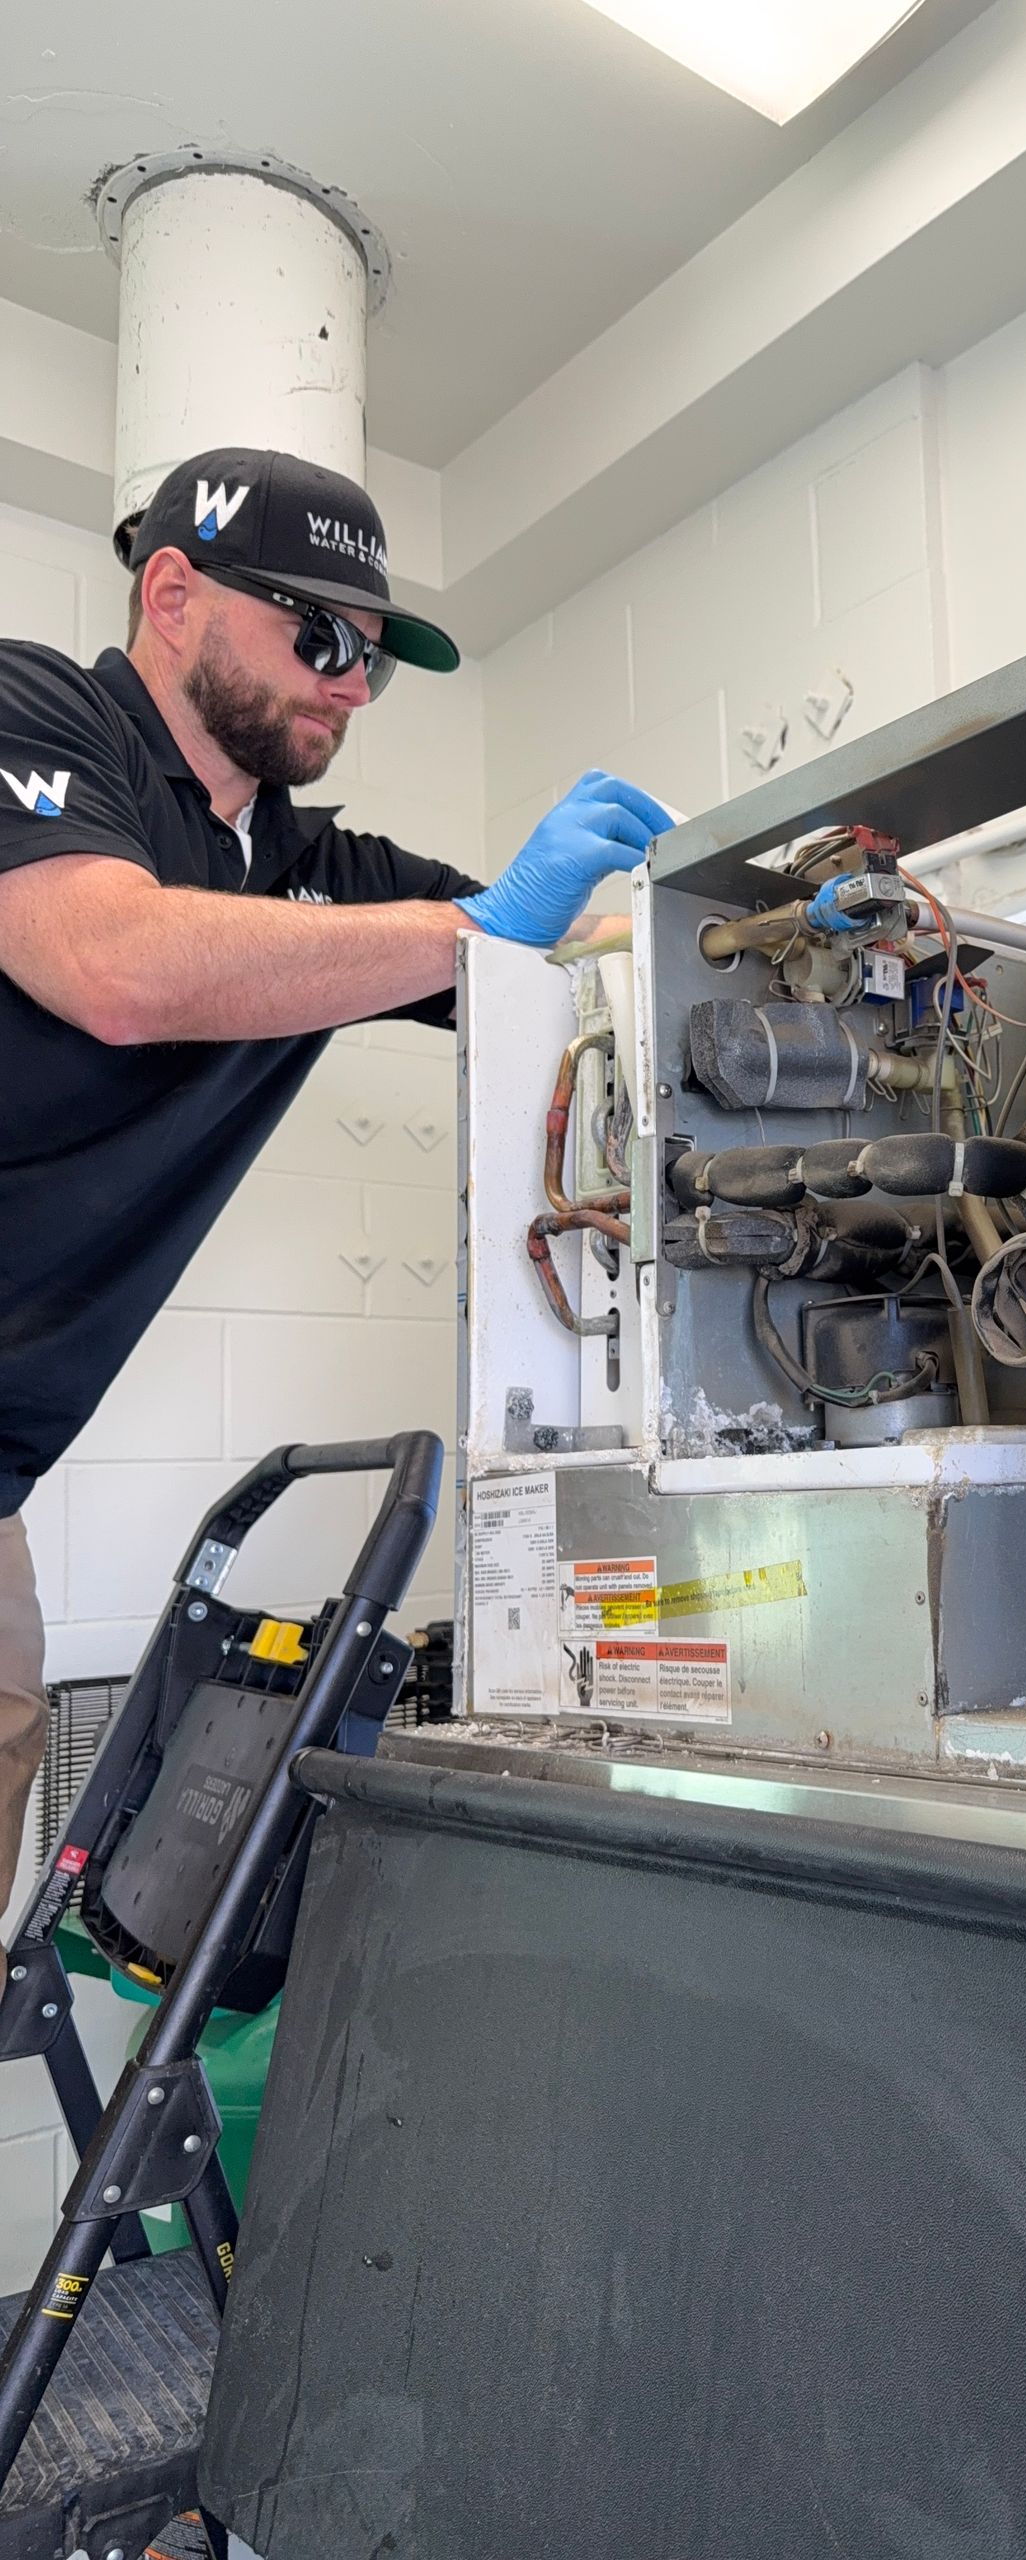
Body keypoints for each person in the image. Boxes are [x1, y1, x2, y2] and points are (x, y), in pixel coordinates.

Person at [0, 444, 672, 1901]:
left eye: (371, 656)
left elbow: (550, 956)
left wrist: (743, 920)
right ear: (172, 592)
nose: (351, 686)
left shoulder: (312, 870)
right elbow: (116, 963)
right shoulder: (34, 709)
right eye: (318, 637)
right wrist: (469, 933)